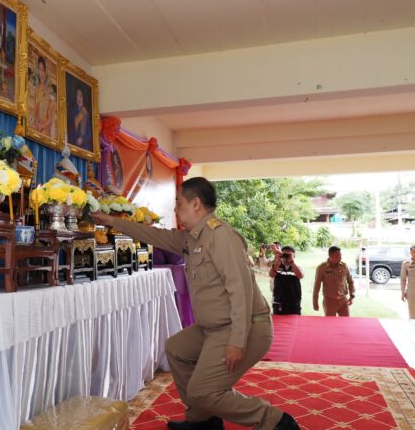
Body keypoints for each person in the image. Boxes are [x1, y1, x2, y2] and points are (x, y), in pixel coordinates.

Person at [91, 177, 299, 430]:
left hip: (245, 327)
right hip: (214, 328)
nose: (175, 208)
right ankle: (203, 421)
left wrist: (237, 341)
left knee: (203, 391)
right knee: (177, 349)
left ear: (196, 204)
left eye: (179, 202)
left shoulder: (221, 236)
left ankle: (276, 421)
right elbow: (155, 235)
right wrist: (113, 222)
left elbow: (241, 292)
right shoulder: (192, 238)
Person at [313, 246, 355, 316]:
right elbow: (317, 286)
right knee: (330, 322)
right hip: (329, 301)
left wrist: (352, 296)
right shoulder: (322, 268)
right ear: (331, 256)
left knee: (346, 322)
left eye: (341, 255)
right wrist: (315, 302)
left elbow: (351, 282)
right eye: (338, 256)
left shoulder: (344, 266)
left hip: (343, 301)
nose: (341, 257)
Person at [269, 246, 304, 315]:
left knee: (294, 321)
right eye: (284, 255)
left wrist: (292, 262)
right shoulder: (276, 266)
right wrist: (278, 260)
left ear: (294, 256)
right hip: (279, 301)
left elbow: (301, 276)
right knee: (278, 321)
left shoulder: (297, 267)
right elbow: (271, 275)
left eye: (289, 255)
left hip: (294, 302)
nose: (286, 257)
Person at [29, 56, 56, 138]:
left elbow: (50, 119)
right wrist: (37, 123)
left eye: (43, 70)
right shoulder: (37, 88)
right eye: (39, 69)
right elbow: (35, 111)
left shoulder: (50, 91)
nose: (41, 73)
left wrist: (42, 126)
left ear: (46, 71)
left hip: (46, 129)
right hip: (37, 126)